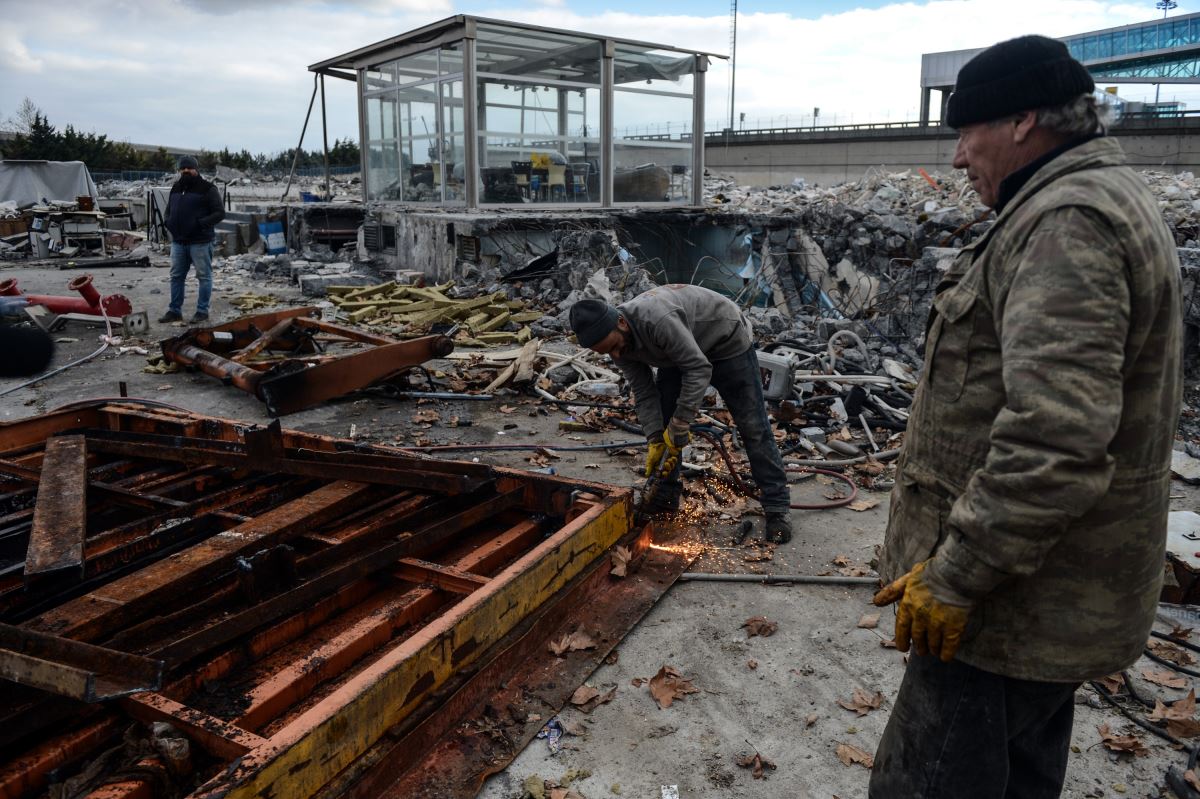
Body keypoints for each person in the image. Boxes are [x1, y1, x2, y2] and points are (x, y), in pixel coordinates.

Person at [870, 35, 1181, 798]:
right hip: (1047, 600)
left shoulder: (1066, 222)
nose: (955, 159)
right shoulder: (1085, 199)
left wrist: (955, 576)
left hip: (1007, 613)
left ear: (1021, 123)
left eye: (965, 133)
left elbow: (1056, 438)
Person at [569, 285, 793, 542]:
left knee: (752, 426)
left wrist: (681, 422)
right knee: (664, 421)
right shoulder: (614, 342)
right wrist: (655, 437)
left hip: (725, 340)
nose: (617, 355)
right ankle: (664, 495)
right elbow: (643, 392)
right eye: (608, 352)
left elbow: (698, 368)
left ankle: (777, 506)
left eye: (616, 346)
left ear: (621, 322)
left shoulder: (657, 320)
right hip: (677, 353)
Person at [160, 155, 224, 324]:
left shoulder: (208, 188)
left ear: (196, 169)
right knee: (176, 276)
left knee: (204, 277)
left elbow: (219, 213)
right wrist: (168, 222)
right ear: (179, 170)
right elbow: (169, 210)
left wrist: (200, 224)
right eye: (183, 168)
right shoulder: (176, 187)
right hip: (179, 242)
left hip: (200, 242)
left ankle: (202, 311)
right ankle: (175, 311)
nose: (186, 170)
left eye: (189, 168)